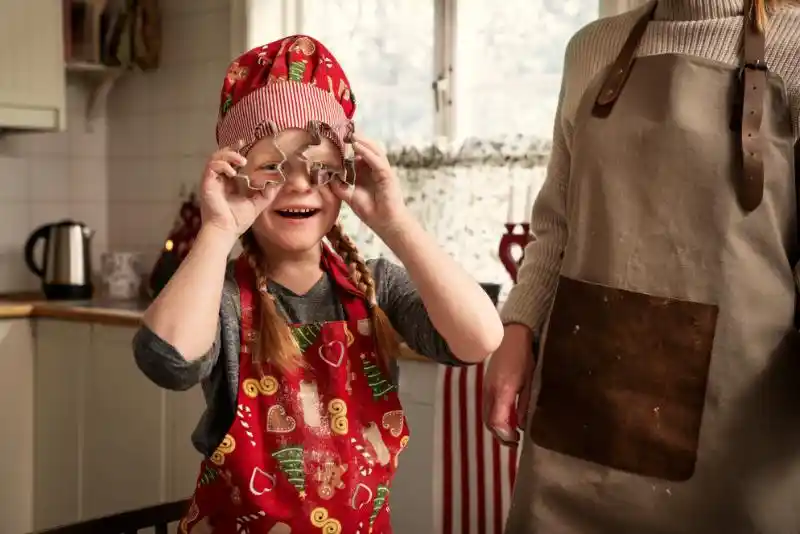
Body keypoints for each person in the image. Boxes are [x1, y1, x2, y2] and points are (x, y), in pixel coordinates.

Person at [133, 35, 503, 534]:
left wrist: (395, 222)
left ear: (346, 174)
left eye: (321, 167)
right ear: (237, 175)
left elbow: (480, 338)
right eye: (272, 166)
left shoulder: (376, 285)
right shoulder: (222, 298)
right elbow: (167, 361)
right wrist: (219, 229)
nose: (299, 183)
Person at [482, 0, 800, 532]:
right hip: (587, 405)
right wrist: (518, 329)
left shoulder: (795, 51)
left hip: (740, 415)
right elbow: (557, 223)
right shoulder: (592, 48)